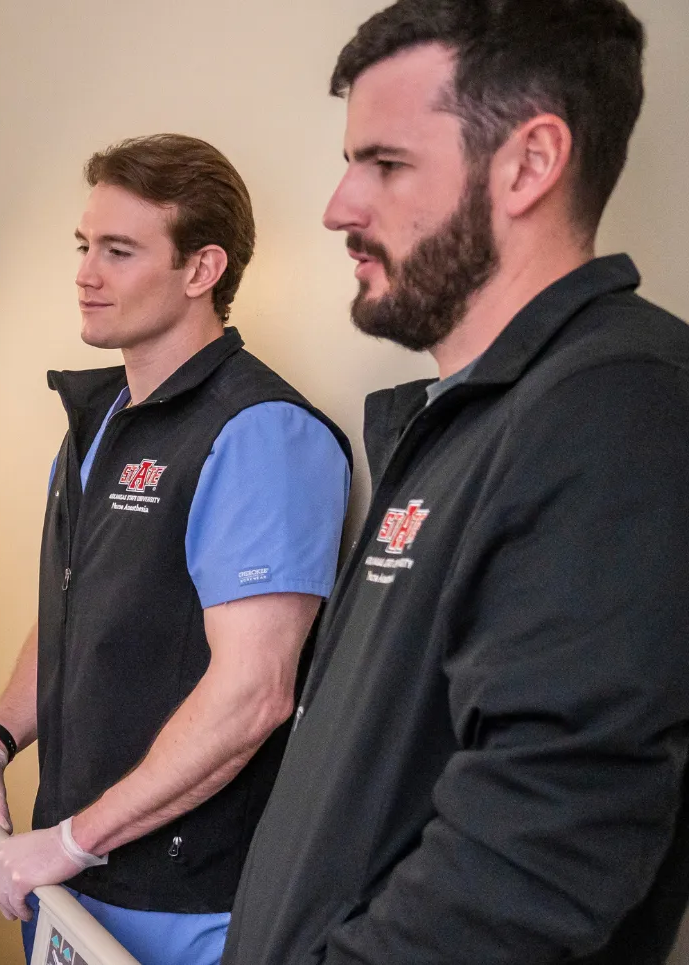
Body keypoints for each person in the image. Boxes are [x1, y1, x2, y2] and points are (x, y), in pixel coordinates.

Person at [226, 3, 689, 963]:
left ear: (529, 161)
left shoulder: (619, 404)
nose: (339, 207)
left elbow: (540, 844)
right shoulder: (464, 415)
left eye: (386, 164)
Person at [0, 135, 351, 964]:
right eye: (85, 247)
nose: (86, 272)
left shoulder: (260, 434)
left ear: (202, 270)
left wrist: (76, 838)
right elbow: (74, 614)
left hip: (185, 899)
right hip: (77, 875)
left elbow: (254, 692)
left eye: (119, 251)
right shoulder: (103, 424)